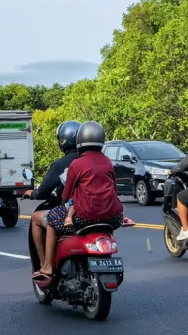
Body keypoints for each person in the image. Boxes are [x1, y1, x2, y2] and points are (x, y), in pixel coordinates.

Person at [34, 121, 123, 285]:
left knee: (52, 219)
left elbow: (66, 194)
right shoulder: (107, 162)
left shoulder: (77, 163)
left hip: (84, 217)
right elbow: (114, 190)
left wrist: (64, 204)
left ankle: (47, 266)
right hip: (112, 217)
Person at [23, 120, 81, 269]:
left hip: (76, 210)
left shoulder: (64, 164)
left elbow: (46, 191)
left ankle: (45, 265)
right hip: (101, 212)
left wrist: (34, 193)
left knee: (39, 218)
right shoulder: (101, 161)